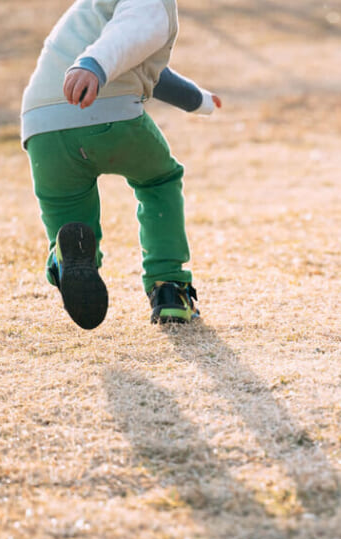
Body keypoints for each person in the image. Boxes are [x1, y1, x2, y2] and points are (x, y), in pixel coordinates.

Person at [21, 0, 220, 329]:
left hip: (43, 125)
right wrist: (93, 66)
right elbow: (129, 33)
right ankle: (169, 288)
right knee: (159, 180)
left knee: (69, 213)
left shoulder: (93, 8)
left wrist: (200, 101)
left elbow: (144, 64)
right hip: (105, 109)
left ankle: (62, 258)